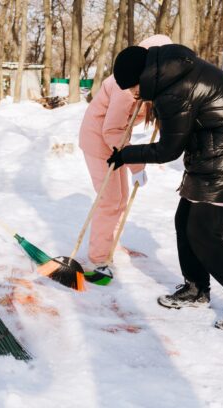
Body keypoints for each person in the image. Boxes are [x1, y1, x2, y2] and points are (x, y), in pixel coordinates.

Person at [108, 43, 223, 329]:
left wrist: (126, 155)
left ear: (142, 76)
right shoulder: (172, 73)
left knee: (204, 234)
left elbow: (168, 150)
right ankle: (196, 288)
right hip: (212, 150)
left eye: (132, 86)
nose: (132, 93)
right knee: (184, 221)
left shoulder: (173, 91)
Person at [78, 34, 171, 280]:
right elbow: (112, 130)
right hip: (99, 142)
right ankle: (98, 258)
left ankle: (110, 243)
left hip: (115, 143)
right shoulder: (127, 85)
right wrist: (137, 166)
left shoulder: (148, 84)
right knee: (110, 200)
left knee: (119, 199)